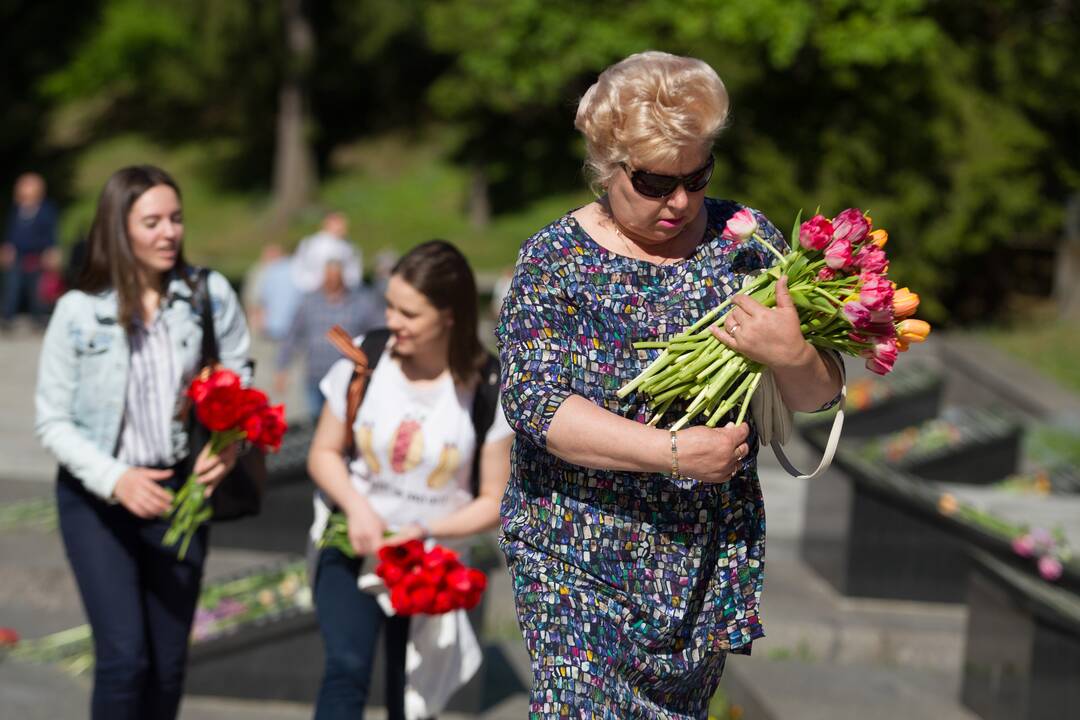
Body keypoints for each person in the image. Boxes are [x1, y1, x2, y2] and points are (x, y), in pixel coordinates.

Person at [496, 51, 844, 718]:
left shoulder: (744, 243)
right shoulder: (555, 259)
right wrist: (675, 454)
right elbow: (535, 403)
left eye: (696, 177)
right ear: (607, 166)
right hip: (574, 550)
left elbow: (818, 396)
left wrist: (791, 351)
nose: (680, 202)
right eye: (655, 184)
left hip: (697, 556)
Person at [34, 165, 251, 720]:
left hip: (180, 496)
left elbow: (240, 379)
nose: (168, 233)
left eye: (175, 219)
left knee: (169, 663)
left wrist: (228, 444)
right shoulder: (78, 311)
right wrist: (116, 479)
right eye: (151, 221)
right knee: (124, 658)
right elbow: (51, 420)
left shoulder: (208, 294)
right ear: (118, 228)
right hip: (99, 500)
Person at [306, 240, 514, 720]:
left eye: (409, 313)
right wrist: (357, 508)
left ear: (449, 316)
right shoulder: (369, 357)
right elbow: (323, 453)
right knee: (346, 667)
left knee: (411, 696)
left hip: (429, 562)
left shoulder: (487, 387)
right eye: (390, 306)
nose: (392, 321)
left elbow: (493, 500)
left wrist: (429, 531)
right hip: (350, 544)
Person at [275, 256, 383, 421]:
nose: (332, 280)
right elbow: (293, 335)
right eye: (328, 275)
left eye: (335, 276)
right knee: (315, 421)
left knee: (344, 419)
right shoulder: (309, 302)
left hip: (348, 375)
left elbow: (379, 330)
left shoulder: (361, 302)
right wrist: (282, 367)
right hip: (315, 375)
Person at [2, 172, 59, 327]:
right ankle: (7, 316)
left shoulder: (46, 210)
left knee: (37, 289)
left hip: (37, 255)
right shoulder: (16, 210)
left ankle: (39, 317)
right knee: (13, 287)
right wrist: (7, 247)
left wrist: (51, 250)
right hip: (18, 255)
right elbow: (11, 232)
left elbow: (51, 232)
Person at [292, 211, 363, 293]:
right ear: (327, 224)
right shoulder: (311, 244)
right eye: (339, 224)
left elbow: (354, 273)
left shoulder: (350, 247)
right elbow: (300, 269)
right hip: (313, 291)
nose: (344, 227)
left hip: (342, 293)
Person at [245, 243, 302, 341]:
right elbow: (254, 301)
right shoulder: (260, 271)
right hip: (272, 328)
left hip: (277, 327)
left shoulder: (271, 270)